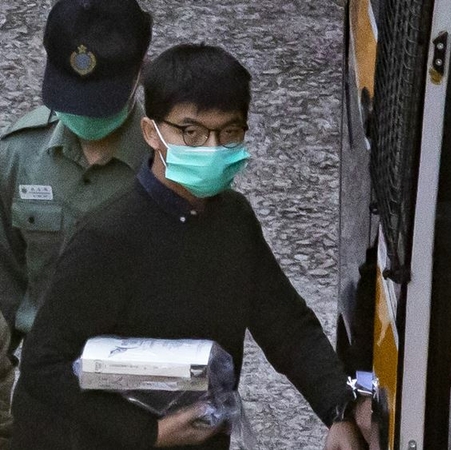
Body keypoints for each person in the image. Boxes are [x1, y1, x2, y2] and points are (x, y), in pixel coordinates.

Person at [10, 43, 366, 449]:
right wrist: (147, 434)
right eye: (192, 133)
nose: (212, 148)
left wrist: (340, 408)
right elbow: (45, 367)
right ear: (152, 133)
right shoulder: (107, 240)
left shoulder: (234, 220)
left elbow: (286, 325)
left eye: (229, 132)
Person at [0, 0, 153, 445]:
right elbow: (3, 294)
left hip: (141, 398)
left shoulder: (167, 165)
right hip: (44, 399)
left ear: (140, 69)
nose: (86, 113)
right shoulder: (17, 157)